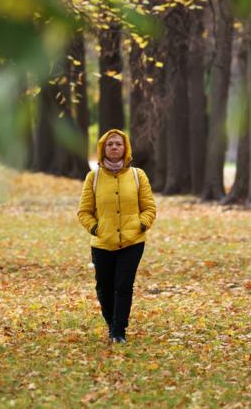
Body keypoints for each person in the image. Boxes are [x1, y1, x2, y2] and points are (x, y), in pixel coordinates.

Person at [77, 129, 156, 344]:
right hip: (102, 242)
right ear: (103, 149)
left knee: (123, 285)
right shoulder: (93, 177)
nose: (114, 147)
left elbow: (149, 207)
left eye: (118, 144)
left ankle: (119, 330)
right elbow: (84, 212)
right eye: (110, 144)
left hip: (133, 241)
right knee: (104, 286)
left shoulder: (137, 176)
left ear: (125, 148)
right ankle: (111, 323)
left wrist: (141, 224)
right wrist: (95, 229)